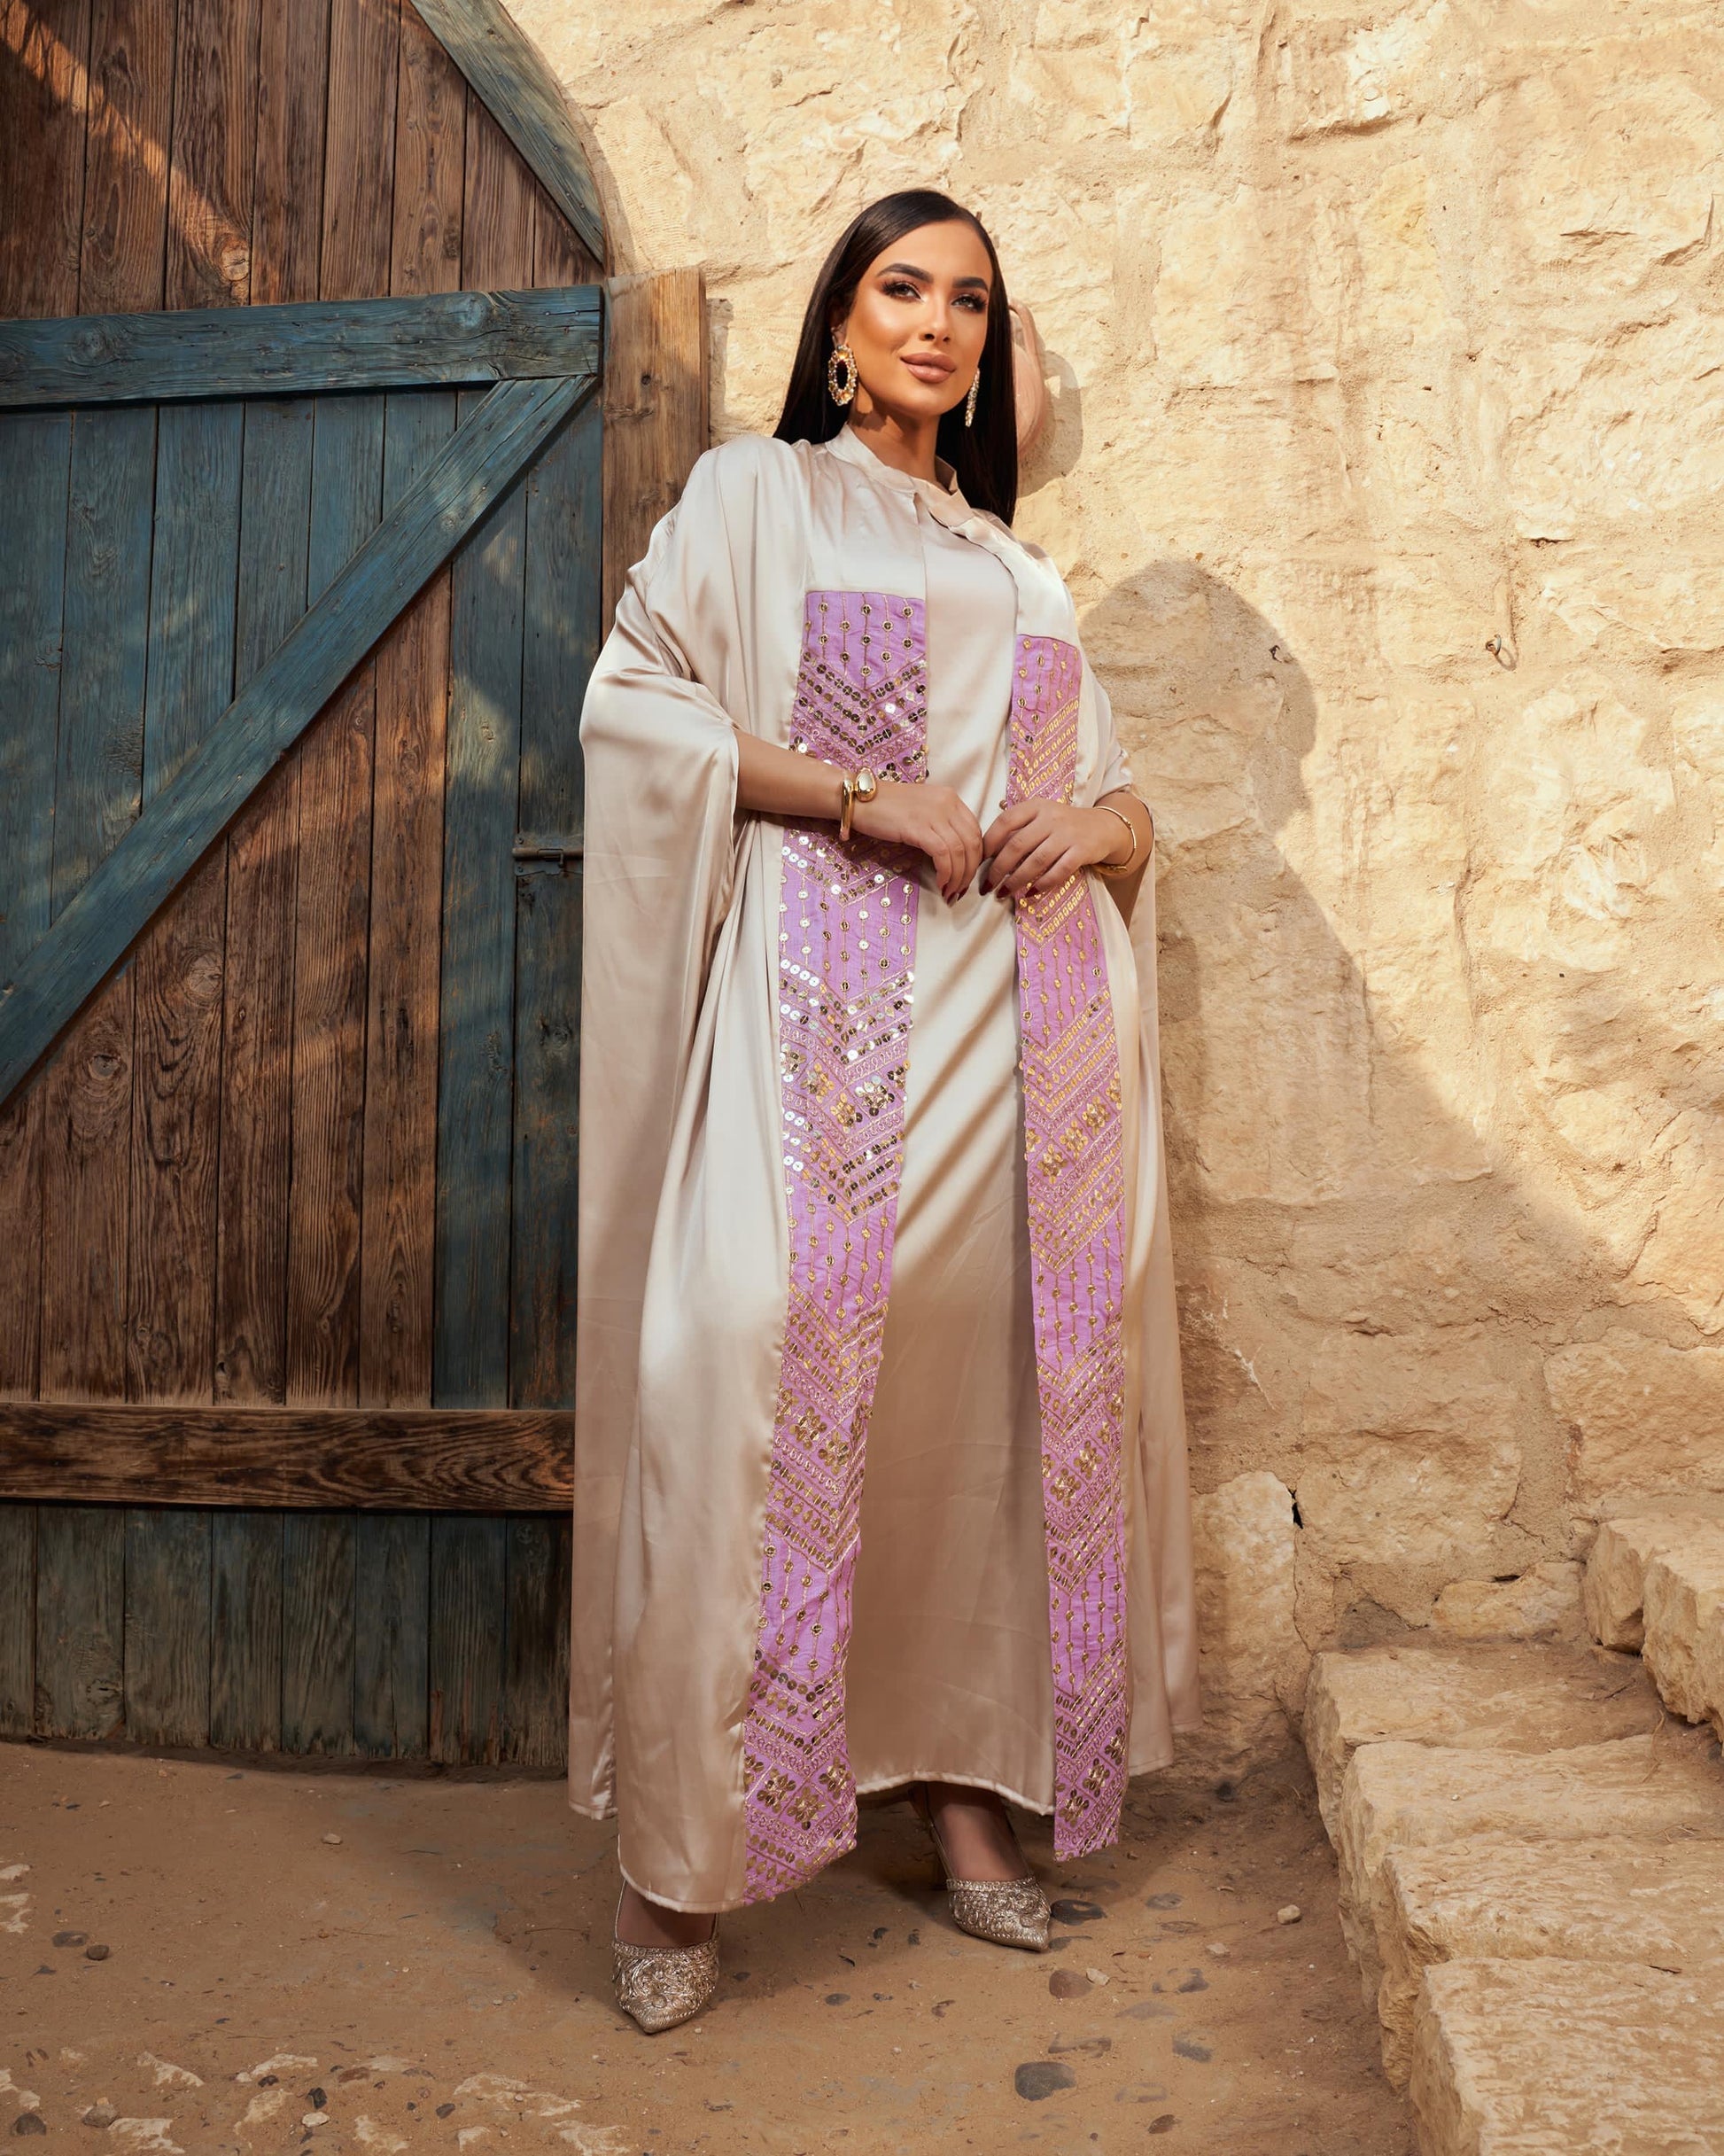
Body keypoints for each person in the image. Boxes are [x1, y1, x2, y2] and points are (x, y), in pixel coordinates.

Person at [571, 188, 1198, 2035]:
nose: (936, 323)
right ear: (841, 325)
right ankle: (672, 1858)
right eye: (902, 288)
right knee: (743, 1360)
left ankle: (955, 1785)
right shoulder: (755, 498)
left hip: (1016, 1041)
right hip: (814, 1038)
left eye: (970, 302)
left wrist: (1101, 825)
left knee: (969, 1410)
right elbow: (637, 711)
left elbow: (1115, 795)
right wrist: (861, 797)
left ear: (990, 349)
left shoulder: (1017, 568)